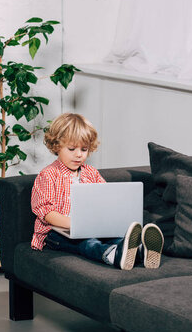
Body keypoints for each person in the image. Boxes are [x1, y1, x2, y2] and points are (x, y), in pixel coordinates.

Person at [31, 113, 164, 270]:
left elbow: (105, 199)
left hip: (91, 228)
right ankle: (111, 255)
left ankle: (140, 251)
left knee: (117, 237)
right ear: (57, 146)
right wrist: (75, 224)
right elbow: (46, 212)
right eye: (72, 148)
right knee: (87, 243)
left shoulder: (91, 173)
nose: (79, 154)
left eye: (84, 149)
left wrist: (105, 221)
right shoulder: (48, 174)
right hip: (55, 234)